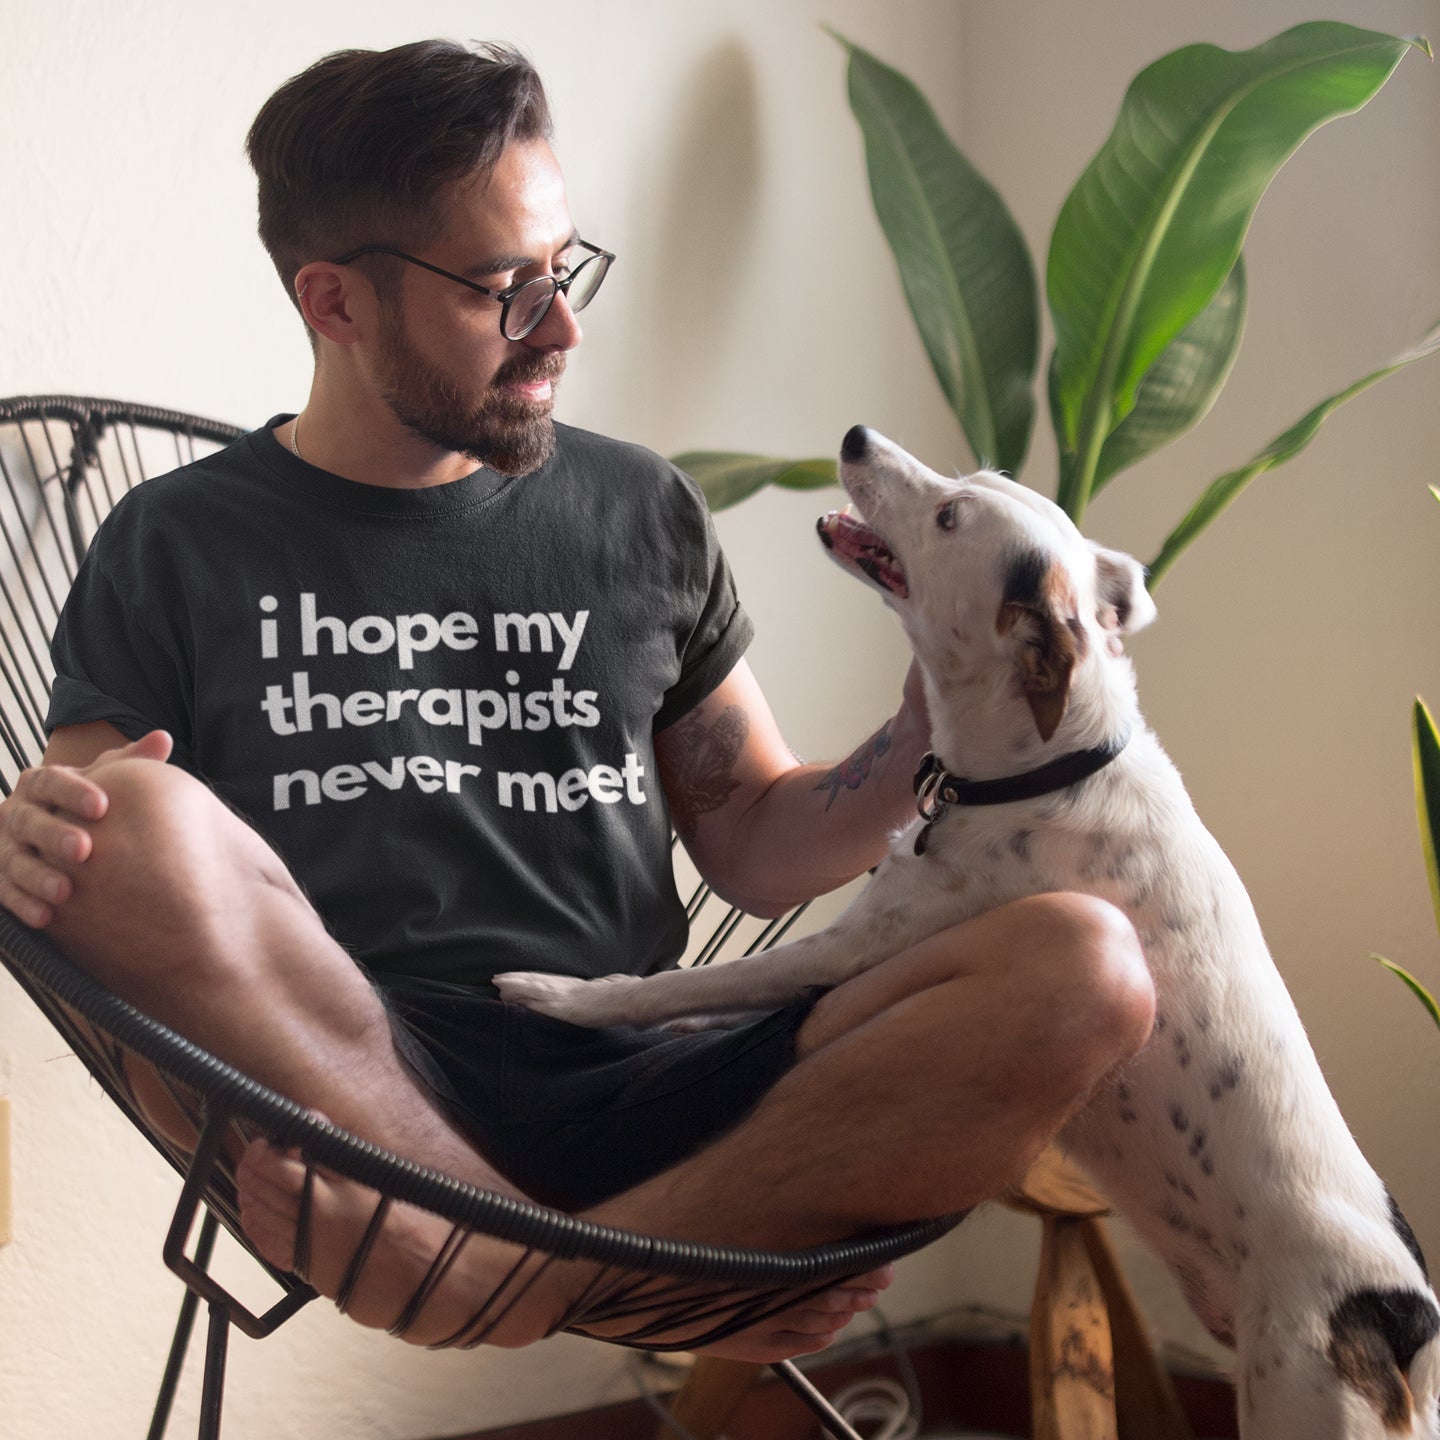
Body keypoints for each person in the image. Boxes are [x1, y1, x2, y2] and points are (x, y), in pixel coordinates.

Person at [0, 40, 1154, 1361]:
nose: (562, 328)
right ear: (334, 301)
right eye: (507, 291)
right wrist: (36, 833)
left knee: (1087, 965)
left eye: (565, 270)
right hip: (355, 1091)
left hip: (653, 1066)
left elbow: (756, 841)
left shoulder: (634, 508)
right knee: (125, 822)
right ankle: (619, 1263)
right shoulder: (178, 543)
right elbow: (92, 863)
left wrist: (927, 729)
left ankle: (505, 1270)